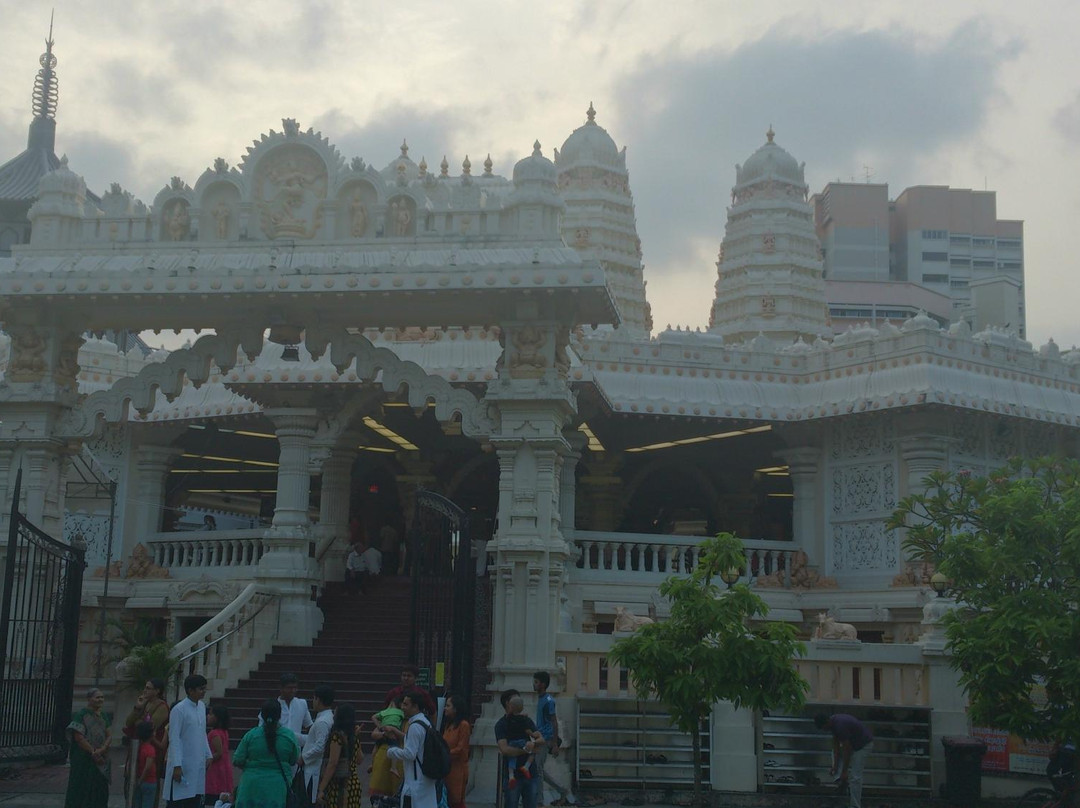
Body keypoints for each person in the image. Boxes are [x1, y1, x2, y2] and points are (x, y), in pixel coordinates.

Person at [234, 699, 300, 808]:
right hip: (277, 787)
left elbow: (237, 760)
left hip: (250, 786)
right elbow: (293, 760)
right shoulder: (289, 736)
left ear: (262, 715)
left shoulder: (251, 735)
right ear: (280, 715)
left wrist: (250, 766)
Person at [166, 674, 213, 808]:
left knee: (195, 798)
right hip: (182, 762)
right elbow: (174, 738)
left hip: (197, 763)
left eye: (204, 688)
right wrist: (176, 765)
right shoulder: (179, 710)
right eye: (200, 689)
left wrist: (208, 754)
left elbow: (202, 732)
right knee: (179, 800)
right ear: (190, 690)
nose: (203, 691)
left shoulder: (202, 707)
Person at [385, 691, 438, 808]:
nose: (402, 707)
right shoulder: (425, 722)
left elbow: (410, 754)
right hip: (425, 780)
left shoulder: (414, 726)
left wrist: (391, 751)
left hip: (414, 784)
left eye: (405, 704)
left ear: (415, 706)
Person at [65, 688, 112, 808]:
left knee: (99, 786)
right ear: (89, 699)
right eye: (97, 697)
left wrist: (102, 749)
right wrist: (93, 752)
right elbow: (79, 738)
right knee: (82, 785)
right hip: (84, 758)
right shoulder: (81, 715)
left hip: (101, 757)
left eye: (102, 697)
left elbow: (109, 735)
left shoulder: (104, 715)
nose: (100, 700)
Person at [124, 678, 170, 803]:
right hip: (138, 747)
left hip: (153, 748)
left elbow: (148, 727)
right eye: (145, 687)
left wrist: (138, 722)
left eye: (148, 688)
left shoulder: (162, 707)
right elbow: (129, 722)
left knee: (150, 778)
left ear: (157, 691)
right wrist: (137, 708)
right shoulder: (144, 704)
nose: (145, 690)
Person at [532, 671, 574, 808]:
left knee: (537, 769)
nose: (534, 684)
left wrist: (555, 743)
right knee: (538, 769)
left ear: (543, 684)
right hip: (539, 738)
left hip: (545, 739)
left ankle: (539, 801)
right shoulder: (541, 698)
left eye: (536, 682)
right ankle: (562, 790)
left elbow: (554, 722)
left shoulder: (549, 701)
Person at [814, 712, 873, 808]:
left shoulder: (840, 725)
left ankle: (855, 806)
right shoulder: (833, 721)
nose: (825, 730)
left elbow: (847, 750)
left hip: (863, 745)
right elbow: (836, 745)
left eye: (824, 728)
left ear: (826, 722)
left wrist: (844, 771)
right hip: (854, 744)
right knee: (834, 752)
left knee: (855, 777)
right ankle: (840, 780)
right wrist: (835, 766)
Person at [494, 690, 540, 808]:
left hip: (531, 774)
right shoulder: (501, 724)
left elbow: (538, 740)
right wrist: (527, 749)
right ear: (508, 704)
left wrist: (535, 744)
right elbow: (504, 749)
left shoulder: (526, 720)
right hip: (512, 776)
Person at [316, 702, 363, 808]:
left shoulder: (337, 736)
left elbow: (333, 763)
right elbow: (360, 760)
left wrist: (321, 788)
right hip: (354, 783)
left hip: (339, 785)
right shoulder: (353, 735)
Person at [301, 685, 335, 805]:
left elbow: (320, 746)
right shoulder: (327, 718)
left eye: (314, 698)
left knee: (309, 801)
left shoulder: (322, 722)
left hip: (313, 768)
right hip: (314, 766)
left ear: (318, 700)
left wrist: (304, 758)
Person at [369, 696, 405, 808]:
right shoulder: (390, 717)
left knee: (395, 792)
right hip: (382, 756)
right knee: (379, 792)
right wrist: (384, 733)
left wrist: (393, 730)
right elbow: (374, 734)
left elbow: (406, 737)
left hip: (398, 757)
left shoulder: (404, 720)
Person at [502, 696, 542, 789]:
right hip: (522, 742)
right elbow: (528, 731)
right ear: (522, 708)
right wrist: (532, 734)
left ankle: (511, 775)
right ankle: (526, 766)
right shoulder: (524, 719)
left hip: (511, 742)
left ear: (510, 707)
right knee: (533, 752)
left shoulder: (508, 719)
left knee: (511, 759)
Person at [442, 694, 472, 808]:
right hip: (446, 768)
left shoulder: (463, 725)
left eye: (448, 706)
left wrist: (444, 754)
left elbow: (461, 749)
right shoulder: (448, 725)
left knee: (456, 801)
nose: (445, 708)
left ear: (455, 709)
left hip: (458, 770)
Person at [205, 704, 234, 804]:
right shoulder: (224, 732)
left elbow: (219, 752)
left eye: (211, 714)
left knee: (214, 796)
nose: (208, 716)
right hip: (223, 768)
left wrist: (207, 760)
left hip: (215, 771)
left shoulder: (214, 733)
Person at [134, 721, 159, 808]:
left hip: (141, 779)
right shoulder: (150, 749)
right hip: (149, 781)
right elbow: (148, 767)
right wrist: (141, 780)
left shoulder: (140, 747)